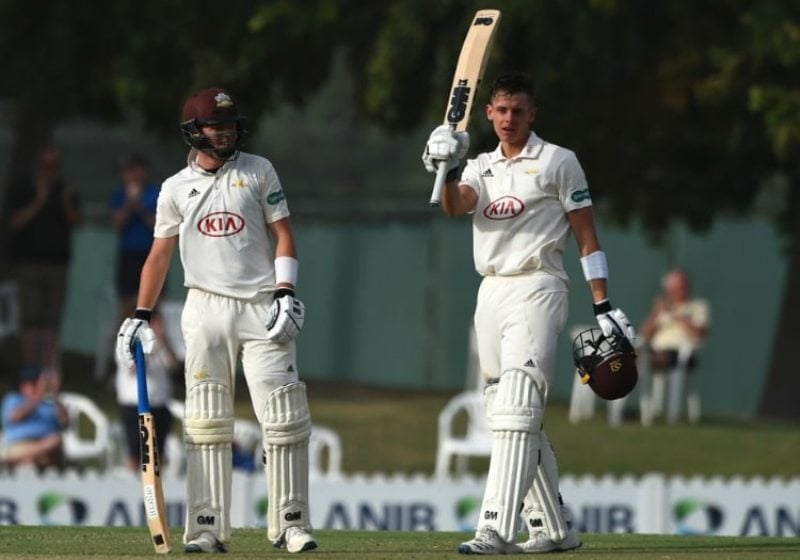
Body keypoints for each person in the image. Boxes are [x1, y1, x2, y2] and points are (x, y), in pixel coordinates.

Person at [422, 72, 635, 554]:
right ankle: (555, 528)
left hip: (539, 285)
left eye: (518, 110)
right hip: (491, 291)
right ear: (488, 113)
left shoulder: (559, 162)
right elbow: (457, 206)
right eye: (500, 110)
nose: (508, 119)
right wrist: (447, 165)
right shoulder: (480, 166)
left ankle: (494, 528)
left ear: (532, 112)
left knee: (519, 402)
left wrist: (602, 303)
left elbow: (586, 237)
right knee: (509, 414)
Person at [115, 87, 315, 554]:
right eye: (216, 125)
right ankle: (206, 527)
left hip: (262, 306)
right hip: (204, 309)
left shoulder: (259, 170)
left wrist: (286, 292)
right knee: (206, 422)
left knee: (284, 419)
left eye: (230, 124)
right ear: (194, 131)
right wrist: (141, 314)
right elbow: (159, 256)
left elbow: (283, 234)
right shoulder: (173, 189)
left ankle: (291, 524)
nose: (226, 132)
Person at [7, 145, 81, 378]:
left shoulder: (65, 191)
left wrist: (65, 201)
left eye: (53, 167)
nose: (48, 172)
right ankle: (30, 371)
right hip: (28, 264)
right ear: (37, 167)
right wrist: (40, 199)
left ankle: (47, 373)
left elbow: (76, 223)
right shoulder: (24, 190)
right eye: (44, 166)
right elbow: (15, 222)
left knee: (51, 321)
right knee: (30, 320)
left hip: (57, 265)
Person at [114, 306, 179, 472]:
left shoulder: (163, 344)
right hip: (134, 405)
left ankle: (157, 488)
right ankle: (134, 488)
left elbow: (175, 366)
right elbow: (133, 367)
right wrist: (147, 344)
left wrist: (163, 339)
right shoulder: (129, 340)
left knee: (158, 454)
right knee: (135, 453)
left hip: (159, 404)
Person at [640, 268, 710, 421]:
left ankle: (646, 360)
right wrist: (656, 313)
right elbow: (645, 334)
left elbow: (700, 333)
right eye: (675, 287)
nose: (679, 291)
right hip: (656, 350)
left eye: (682, 286)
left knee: (654, 357)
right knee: (635, 355)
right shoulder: (662, 310)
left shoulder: (697, 307)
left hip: (683, 354)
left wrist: (677, 316)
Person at [109, 154, 161, 321]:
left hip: (150, 254)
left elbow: (158, 226)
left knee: (153, 306)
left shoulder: (156, 193)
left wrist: (139, 205)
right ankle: (123, 342)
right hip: (128, 254)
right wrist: (129, 203)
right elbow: (117, 224)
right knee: (125, 305)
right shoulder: (120, 194)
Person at [1, 366, 68, 470]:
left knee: (54, 442)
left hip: (49, 450)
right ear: (23, 386)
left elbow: (65, 423)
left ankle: (12, 460)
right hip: (21, 444)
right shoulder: (13, 399)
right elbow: (16, 416)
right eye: (35, 384)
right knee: (52, 443)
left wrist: (55, 395)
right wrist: (39, 395)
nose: (39, 387)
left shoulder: (50, 405)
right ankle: (26, 458)